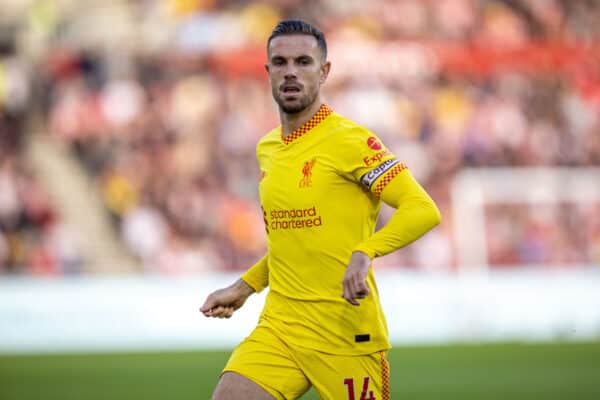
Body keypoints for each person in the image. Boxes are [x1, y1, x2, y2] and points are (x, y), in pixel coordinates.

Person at [201, 19, 441, 400]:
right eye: (280, 63)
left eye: (303, 61)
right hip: (280, 327)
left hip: (344, 331)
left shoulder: (351, 141)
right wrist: (244, 287)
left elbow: (423, 208)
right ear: (267, 72)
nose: (291, 72)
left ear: (324, 71)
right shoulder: (268, 149)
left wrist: (366, 250)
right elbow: (294, 242)